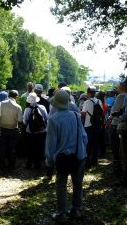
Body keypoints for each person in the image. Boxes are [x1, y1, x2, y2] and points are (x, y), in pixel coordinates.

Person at [45, 90, 88, 223]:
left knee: (61, 185)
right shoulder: (76, 115)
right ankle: (76, 210)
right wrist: (82, 150)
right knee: (78, 184)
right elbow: (84, 136)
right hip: (79, 155)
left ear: (56, 104)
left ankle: (62, 213)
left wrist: (49, 159)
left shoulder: (53, 119)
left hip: (63, 158)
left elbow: (51, 143)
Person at [23, 92, 48, 169]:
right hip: (42, 131)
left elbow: (25, 121)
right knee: (39, 147)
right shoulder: (42, 107)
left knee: (30, 148)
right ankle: (37, 164)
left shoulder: (27, 109)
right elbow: (46, 118)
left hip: (31, 132)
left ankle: (29, 164)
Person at [0, 90, 23, 169]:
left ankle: (1, 163)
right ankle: (12, 164)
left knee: (2, 147)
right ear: (17, 97)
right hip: (13, 129)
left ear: (8, 95)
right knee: (12, 147)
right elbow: (20, 120)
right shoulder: (18, 107)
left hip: (2, 128)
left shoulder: (1, 104)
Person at [81, 86, 102, 168]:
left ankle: (87, 162)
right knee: (96, 144)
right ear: (95, 93)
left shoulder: (86, 102)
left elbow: (84, 113)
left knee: (88, 144)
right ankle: (95, 161)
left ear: (88, 93)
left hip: (88, 125)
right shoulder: (99, 101)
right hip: (97, 125)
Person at [108, 85, 127, 175]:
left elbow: (114, 111)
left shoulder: (121, 96)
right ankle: (125, 169)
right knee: (124, 148)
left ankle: (117, 167)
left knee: (116, 147)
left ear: (124, 87)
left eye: (120, 86)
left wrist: (110, 120)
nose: (118, 88)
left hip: (117, 124)